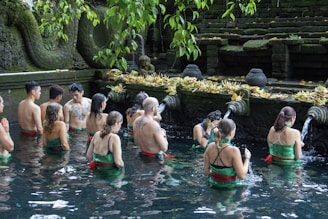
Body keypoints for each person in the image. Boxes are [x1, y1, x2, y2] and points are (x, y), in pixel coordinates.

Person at [204, 118, 251, 189]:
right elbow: (242, 176)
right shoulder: (234, 150)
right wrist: (247, 158)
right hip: (229, 187)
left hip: (214, 185)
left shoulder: (210, 146)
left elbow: (206, 172)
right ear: (231, 133)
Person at [86, 111, 124, 183]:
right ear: (116, 123)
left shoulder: (97, 134)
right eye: (120, 124)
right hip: (111, 174)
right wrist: (123, 169)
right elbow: (118, 162)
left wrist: (98, 164)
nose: (120, 127)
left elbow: (88, 156)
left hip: (97, 172)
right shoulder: (114, 137)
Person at [0, 96, 14, 165]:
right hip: (2, 162)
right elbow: (10, 147)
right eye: (2, 103)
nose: (3, 105)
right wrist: (7, 131)